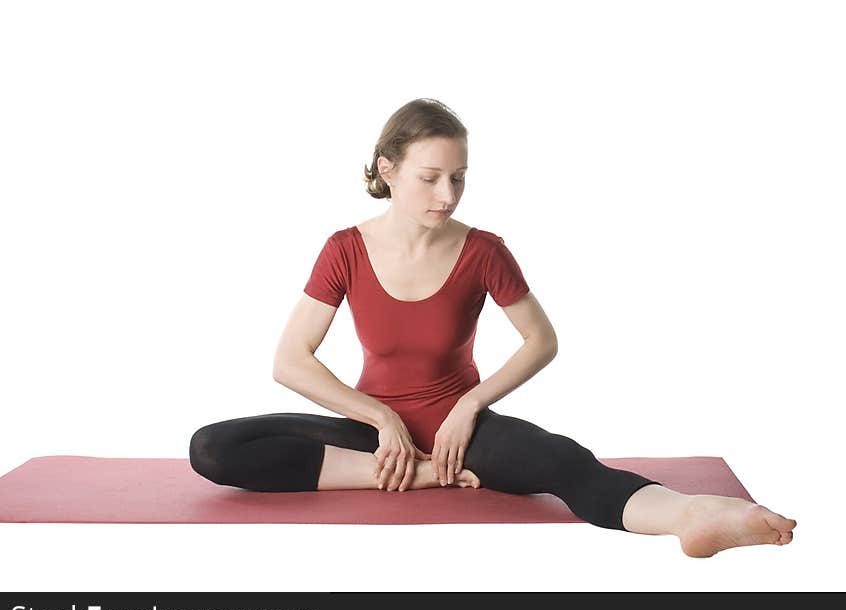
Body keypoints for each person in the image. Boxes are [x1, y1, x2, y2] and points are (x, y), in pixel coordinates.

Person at [189, 98, 797, 558]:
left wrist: (471, 404)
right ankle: (426, 475)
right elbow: (290, 360)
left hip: (464, 432)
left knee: (567, 463)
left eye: (459, 176)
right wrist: (380, 419)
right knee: (213, 448)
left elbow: (542, 339)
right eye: (430, 177)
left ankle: (691, 514)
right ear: (388, 169)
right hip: (374, 436)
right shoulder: (344, 249)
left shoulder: (484, 251)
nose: (448, 193)